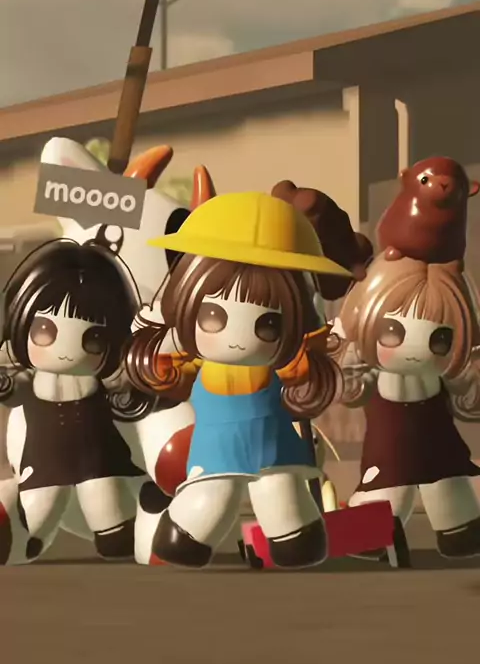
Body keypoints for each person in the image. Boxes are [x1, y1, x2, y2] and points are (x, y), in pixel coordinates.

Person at [125, 173, 350, 569]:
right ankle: (185, 534)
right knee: (211, 497)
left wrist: (311, 359)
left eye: (268, 325)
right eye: (212, 316)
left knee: (280, 493)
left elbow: (302, 375)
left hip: (272, 444)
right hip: (215, 448)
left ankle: (295, 538)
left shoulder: (287, 361)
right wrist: (157, 354)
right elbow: (171, 375)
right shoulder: (194, 360)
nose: (237, 339)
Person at [0, 238, 146, 563]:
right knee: (38, 514)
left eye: (93, 339)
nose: (67, 350)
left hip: (98, 459)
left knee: (108, 517)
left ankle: (128, 529)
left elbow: (126, 391)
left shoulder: (105, 378)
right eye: (45, 330)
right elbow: (13, 389)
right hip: (44, 460)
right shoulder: (28, 377)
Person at [338, 253, 480, 558]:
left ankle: (458, 530)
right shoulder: (372, 370)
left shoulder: (445, 373)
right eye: (392, 332)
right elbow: (351, 383)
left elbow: (463, 386)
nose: (416, 351)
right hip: (390, 447)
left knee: (452, 497)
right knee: (388, 493)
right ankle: (351, 534)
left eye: (439, 339)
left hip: (439, 443)